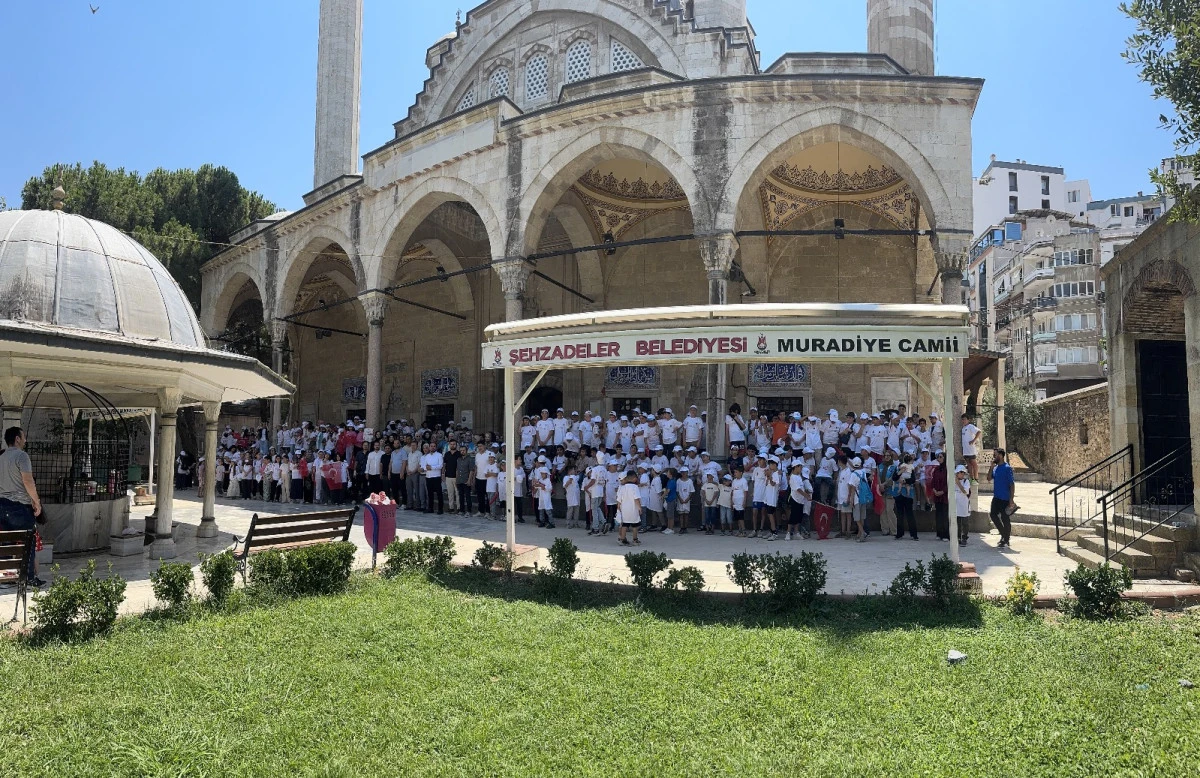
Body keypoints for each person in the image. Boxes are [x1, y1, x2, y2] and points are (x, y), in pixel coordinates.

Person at [0, 427, 45, 587]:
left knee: (5, 542)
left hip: (2, 505)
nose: (25, 440)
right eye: (24, 437)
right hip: (20, 507)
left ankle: (6, 578)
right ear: (17, 439)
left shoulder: (1, 456)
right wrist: (36, 501)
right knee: (29, 541)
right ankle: (29, 577)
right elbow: (28, 481)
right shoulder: (22, 456)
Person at [988, 447, 1015, 548]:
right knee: (993, 515)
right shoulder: (995, 468)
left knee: (1005, 518)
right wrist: (991, 467)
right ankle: (1004, 535)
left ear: (1000, 455)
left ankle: (1006, 539)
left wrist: (1011, 499)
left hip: (1005, 498)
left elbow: (1011, 484)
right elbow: (989, 478)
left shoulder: (1007, 468)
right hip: (996, 497)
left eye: (995, 454)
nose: (994, 456)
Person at [616, 470, 642, 546]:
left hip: (624, 509)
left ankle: (622, 539)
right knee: (635, 525)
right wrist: (640, 508)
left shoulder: (622, 488)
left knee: (624, 525)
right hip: (633, 509)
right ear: (634, 478)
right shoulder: (635, 487)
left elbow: (619, 500)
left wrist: (618, 508)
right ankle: (635, 540)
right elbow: (636, 499)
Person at [928, 451, 950, 541]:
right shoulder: (937, 469)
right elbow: (933, 480)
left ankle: (946, 535)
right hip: (937, 495)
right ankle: (939, 533)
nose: (938, 459)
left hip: (944, 496)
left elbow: (948, 483)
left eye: (941, 457)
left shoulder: (948, 469)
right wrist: (934, 490)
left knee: (945, 515)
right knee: (938, 515)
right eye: (938, 457)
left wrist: (942, 491)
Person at [954, 464, 972, 546]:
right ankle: (958, 537)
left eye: (963, 472)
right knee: (957, 523)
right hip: (956, 505)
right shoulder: (953, 481)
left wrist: (958, 483)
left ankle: (965, 537)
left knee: (965, 522)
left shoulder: (966, 481)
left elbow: (965, 491)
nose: (962, 474)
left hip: (964, 505)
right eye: (960, 472)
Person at [961, 413, 982, 480]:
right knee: (969, 464)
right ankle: (971, 478)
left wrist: (973, 440)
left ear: (968, 420)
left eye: (964, 419)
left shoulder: (970, 426)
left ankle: (976, 478)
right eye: (962, 419)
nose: (963, 421)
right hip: (965, 450)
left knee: (974, 463)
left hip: (971, 449)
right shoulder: (963, 428)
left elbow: (979, 431)